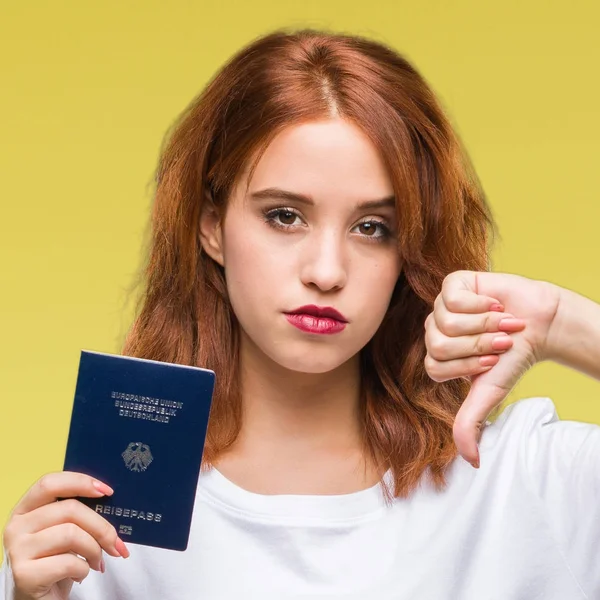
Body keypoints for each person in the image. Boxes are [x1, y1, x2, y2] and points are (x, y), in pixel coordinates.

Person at [1, 28, 599, 600]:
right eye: (285, 215)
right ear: (211, 225)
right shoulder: (112, 516)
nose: (327, 270)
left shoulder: (524, 480)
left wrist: (562, 325)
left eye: (372, 228)